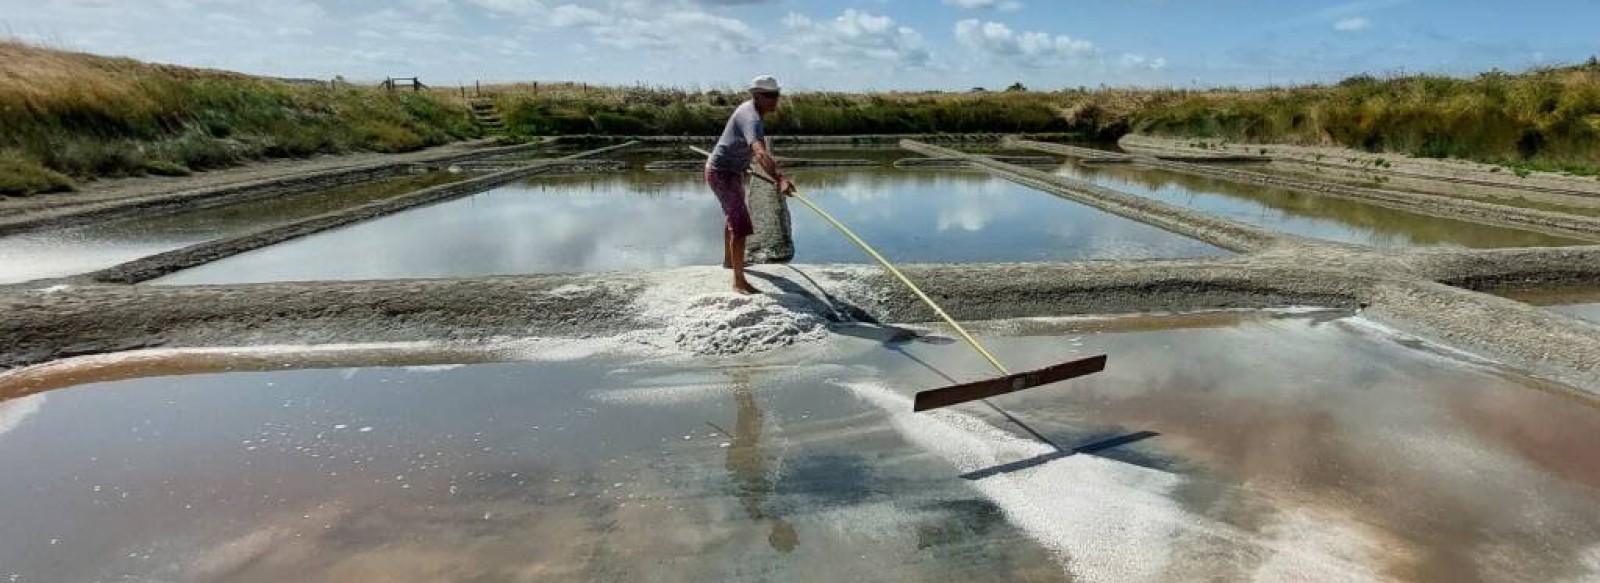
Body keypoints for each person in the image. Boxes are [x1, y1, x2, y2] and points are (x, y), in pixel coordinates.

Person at [705, 75, 796, 295]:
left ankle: (730, 262)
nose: (774, 100)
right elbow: (760, 153)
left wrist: (742, 163)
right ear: (756, 96)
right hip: (721, 173)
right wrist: (780, 178)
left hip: (733, 171)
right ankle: (738, 281)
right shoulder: (751, 118)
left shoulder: (751, 111)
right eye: (769, 96)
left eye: (776, 95)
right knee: (741, 224)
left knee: (734, 219)